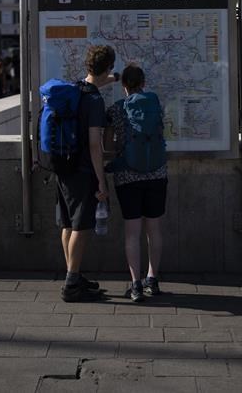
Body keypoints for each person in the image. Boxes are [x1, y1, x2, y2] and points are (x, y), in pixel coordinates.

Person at [56, 44, 116, 303]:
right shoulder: (94, 101)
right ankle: (71, 283)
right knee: (82, 225)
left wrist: (116, 78)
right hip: (82, 171)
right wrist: (101, 181)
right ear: (109, 67)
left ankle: (74, 274)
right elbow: (95, 145)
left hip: (63, 167)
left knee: (69, 223)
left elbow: (96, 82)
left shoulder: (75, 89)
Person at [104, 65, 167, 303]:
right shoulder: (155, 103)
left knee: (132, 232)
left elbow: (107, 146)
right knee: (154, 229)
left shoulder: (117, 110)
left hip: (128, 177)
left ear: (124, 86)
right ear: (143, 82)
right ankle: (153, 279)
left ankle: (136, 285)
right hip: (157, 174)